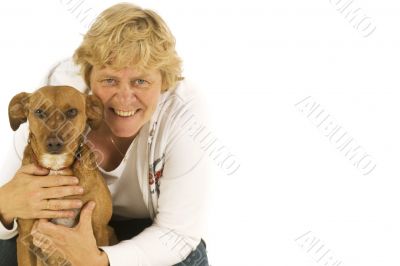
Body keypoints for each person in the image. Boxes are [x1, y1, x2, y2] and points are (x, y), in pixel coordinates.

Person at [0, 3, 210, 265]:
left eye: (141, 81)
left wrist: (99, 259)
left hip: (149, 228)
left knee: (185, 255)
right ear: (88, 77)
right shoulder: (55, 103)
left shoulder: (183, 113)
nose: (124, 98)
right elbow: (8, 207)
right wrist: (5, 206)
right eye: (109, 80)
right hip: (54, 229)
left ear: (164, 82)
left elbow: (178, 232)